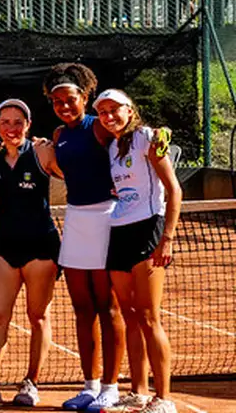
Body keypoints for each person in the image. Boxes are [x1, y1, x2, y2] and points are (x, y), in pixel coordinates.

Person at [34, 63, 126, 412]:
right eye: (57, 101)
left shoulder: (100, 127)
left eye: (70, 99)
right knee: (82, 308)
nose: (64, 106)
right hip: (75, 220)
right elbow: (66, 170)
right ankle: (90, 386)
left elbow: (131, 141)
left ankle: (111, 388)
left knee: (107, 306)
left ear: (85, 97)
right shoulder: (59, 134)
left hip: (106, 218)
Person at [0, 99, 59, 408]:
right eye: (5, 122)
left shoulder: (43, 153)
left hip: (41, 248)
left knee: (38, 316)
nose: (12, 128)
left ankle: (31, 383)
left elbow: (76, 171)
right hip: (5, 247)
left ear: (28, 125)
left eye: (18, 122)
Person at [97, 90, 182, 413]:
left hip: (149, 229)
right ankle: (139, 393)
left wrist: (167, 238)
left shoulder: (147, 137)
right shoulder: (112, 148)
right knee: (130, 316)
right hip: (119, 231)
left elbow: (174, 190)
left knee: (149, 317)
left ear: (130, 111)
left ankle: (164, 399)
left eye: (114, 109)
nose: (109, 116)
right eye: (103, 112)